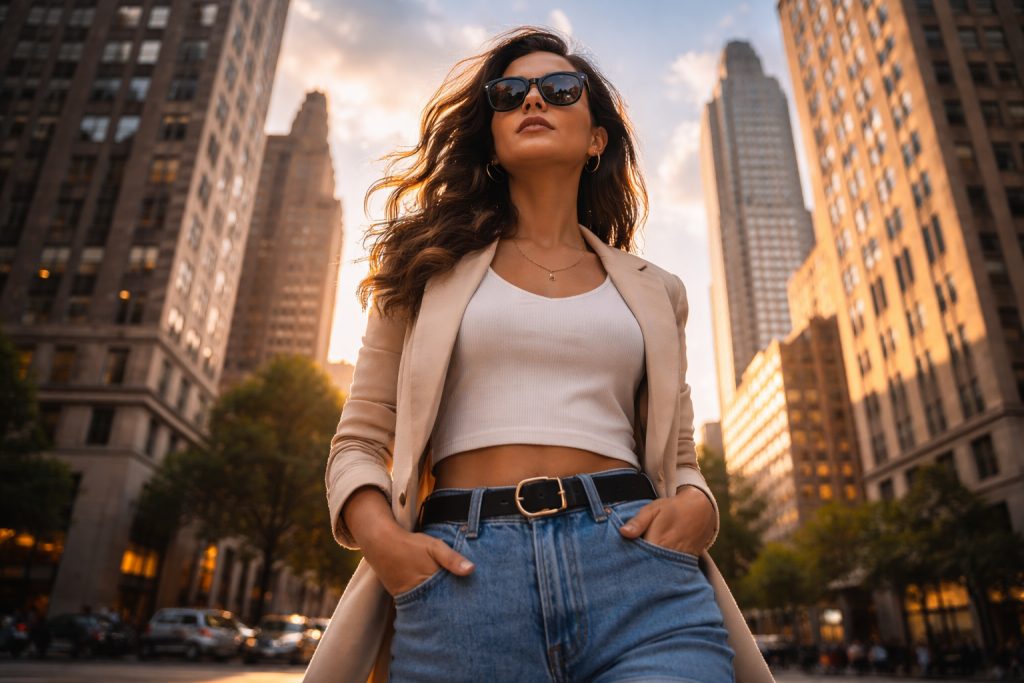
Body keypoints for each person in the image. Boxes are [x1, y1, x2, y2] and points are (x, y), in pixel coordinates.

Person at [302, 27, 772, 683]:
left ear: (596, 138)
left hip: (639, 575)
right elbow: (358, 441)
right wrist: (388, 546)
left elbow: (680, 456)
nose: (532, 100)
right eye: (509, 93)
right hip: (462, 580)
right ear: (492, 136)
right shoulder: (423, 268)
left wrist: (698, 508)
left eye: (558, 89)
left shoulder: (657, 289)